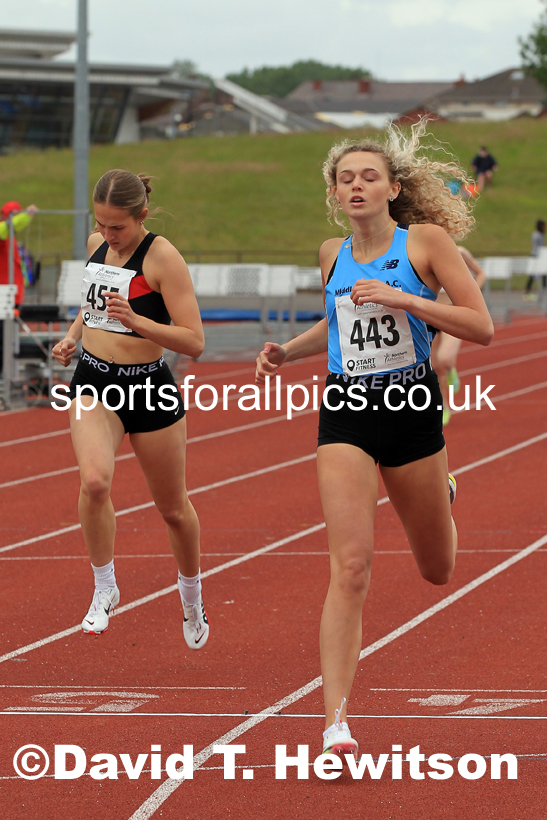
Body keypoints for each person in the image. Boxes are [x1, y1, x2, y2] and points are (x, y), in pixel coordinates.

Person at [256, 122, 493, 757]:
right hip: (346, 411)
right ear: (334, 194)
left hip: (413, 408)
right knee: (352, 566)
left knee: (437, 570)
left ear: (392, 187)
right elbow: (337, 321)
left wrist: (405, 299)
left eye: (368, 176)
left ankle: (441, 490)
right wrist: (289, 350)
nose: (356, 186)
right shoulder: (331, 253)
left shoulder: (426, 244)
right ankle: (334, 723)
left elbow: (481, 326)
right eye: (345, 178)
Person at [52, 170, 209, 648]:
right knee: (95, 481)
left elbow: (194, 342)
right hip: (94, 381)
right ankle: (105, 588)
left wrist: (137, 320)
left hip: (148, 388)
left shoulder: (163, 258)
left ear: (141, 216)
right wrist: (73, 336)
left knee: (173, 510)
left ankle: (190, 595)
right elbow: (94, 300)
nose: (108, 235)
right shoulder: (98, 241)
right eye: (102, 225)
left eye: (117, 226)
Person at [431, 246, 487, 425]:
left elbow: (481, 273)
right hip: (431, 314)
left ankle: (451, 369)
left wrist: (469, 295)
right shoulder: (421, 251)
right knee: (434, 366)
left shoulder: (459, 252)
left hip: (453, 313)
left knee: (444, 358)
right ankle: (445, 406)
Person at [0, 201, 38, 306]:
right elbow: (8, 226)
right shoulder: (4, 232)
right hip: (5, 292)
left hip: (11, 291)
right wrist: (26, 215)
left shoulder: (10, 237)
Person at [524, 219, 546, 301]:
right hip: (536, 257)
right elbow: (539, 247)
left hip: (539, 256)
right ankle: (527, 292)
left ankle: (543, 292)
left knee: (543, 275)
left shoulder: (539, 234)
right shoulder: (537, 235)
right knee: (533, 275)